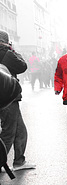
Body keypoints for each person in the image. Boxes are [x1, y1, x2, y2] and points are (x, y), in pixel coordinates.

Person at [0, 31, 35, 171]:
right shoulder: (6, 53)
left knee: (20, 129)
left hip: (6, 96)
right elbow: (22, 66)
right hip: (8, 96)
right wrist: (11, 49)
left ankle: (19, 161)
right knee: (9, 131)